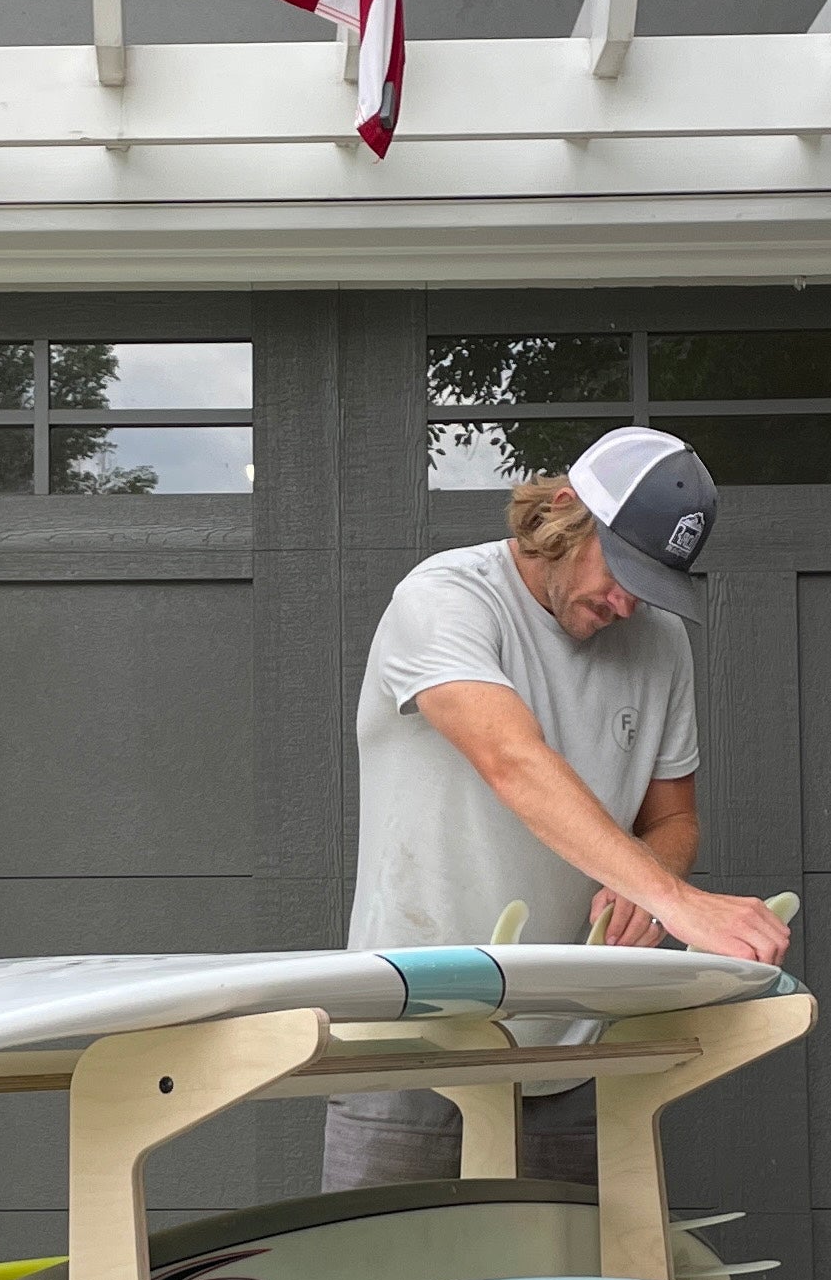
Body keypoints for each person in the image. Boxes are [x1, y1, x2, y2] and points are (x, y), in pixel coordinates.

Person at [324, 426, 793, 1191]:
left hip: (570, 1048)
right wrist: (675, 899)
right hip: (405, 1040)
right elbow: (513, 760)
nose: (628, 601)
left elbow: (672, 822)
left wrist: (650, 885)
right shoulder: (444, 599)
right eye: (622, 570)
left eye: (652, 582)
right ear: (564, 513)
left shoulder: (659, 642)